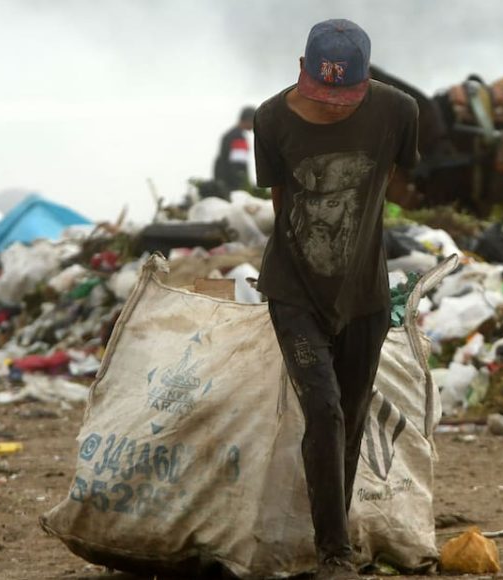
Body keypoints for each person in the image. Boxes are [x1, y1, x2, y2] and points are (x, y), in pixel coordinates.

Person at [253, 18, 418, 580]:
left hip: (365, 293)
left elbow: (388, 185)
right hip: (293, 290)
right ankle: (334, 556)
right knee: (323, 410)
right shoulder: (271, 119)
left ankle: (334, 534)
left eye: (343, 97)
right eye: (322, 94)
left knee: (350, 414)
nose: (331, 107)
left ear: (365, 80)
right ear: (302, 70)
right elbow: (282, 204)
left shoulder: (398, 112)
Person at [212, 106, 256, 197]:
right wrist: (243, 185)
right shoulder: (238, 137)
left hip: (223, 180)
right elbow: (238, 166)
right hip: (232, 185)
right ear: (248, 120)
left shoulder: (230, 134)